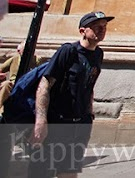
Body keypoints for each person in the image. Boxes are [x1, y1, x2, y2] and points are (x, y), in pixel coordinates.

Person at [29, 11, 112, 177]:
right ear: (83, 31)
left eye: (104, 27)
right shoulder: (68, 51)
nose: (102, 30)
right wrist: (41, 121)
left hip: (80, 124)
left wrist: (89, 114)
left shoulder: (98, 54)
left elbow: (89, 84)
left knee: (69, 171)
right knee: (41, 171)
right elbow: (44, 85)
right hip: (57, 122)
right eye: (97, 27)